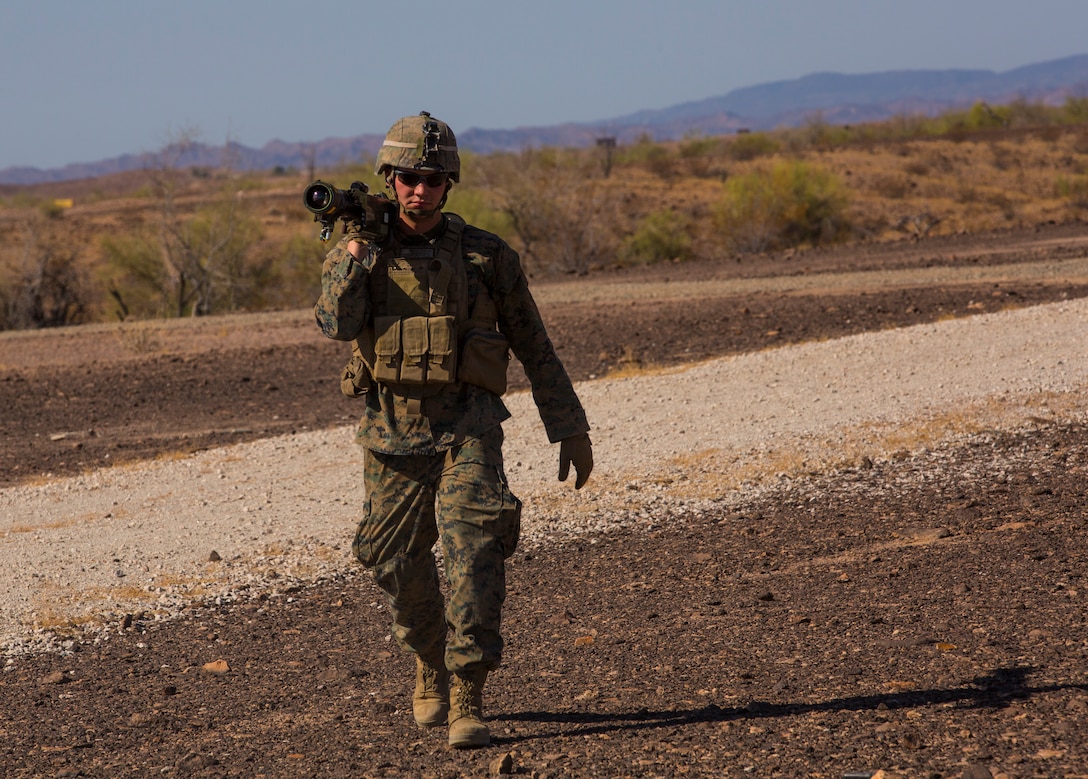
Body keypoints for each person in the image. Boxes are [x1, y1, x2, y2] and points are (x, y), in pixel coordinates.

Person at [314, 111, 593, 749]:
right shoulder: (360, 250)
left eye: (433, 178)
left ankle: (468, 689)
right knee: (390, 560)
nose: (420, 190)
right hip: (391, 435)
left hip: (469, 429)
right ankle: (428, 659)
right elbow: (334, 323)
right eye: (409, 177)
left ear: (450, 183)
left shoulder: (487, 256)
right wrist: (355, 254)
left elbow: (533, 342)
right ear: (389, 179)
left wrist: (567, 425)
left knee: (475, 552)